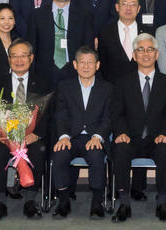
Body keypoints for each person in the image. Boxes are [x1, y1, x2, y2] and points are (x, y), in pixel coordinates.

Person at [109, 34, 166, 222]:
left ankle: (162, 202)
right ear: (134, 55)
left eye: (150, 49)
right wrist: (121, 133)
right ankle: (124, 203)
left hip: (157, 139)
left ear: (157, 54)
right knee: (120, 149)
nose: (145, 53)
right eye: (140, 49)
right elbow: (117, 113)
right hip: (130, 138)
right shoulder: (122, 82)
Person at [0, 39, 54, 221]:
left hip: (32, 136)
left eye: (23, 55)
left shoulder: (44, 82)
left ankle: (31, 201)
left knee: (38, 150)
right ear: (8, 59)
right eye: (14, 55)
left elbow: (50, 114)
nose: (19, 59)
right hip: (4, 138)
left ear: (31, 58)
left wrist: (37, 134)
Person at [49, 46, 112, 220]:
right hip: (70, 137)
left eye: (90, 62)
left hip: (93, 137)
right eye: (82, 62)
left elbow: (108, 118)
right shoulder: (64, 87)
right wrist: (63, 136)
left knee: (96, 156)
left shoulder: (106, 88)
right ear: (75, 65)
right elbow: (60, 114)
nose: (86, 66)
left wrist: (98, 136)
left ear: (97, 65)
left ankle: (97, 203)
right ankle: (63, 201)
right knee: (59, 155)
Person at [29, 0, 95, 83]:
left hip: (74, 72)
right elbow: (31, 47)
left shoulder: (84, 16)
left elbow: (88, 47)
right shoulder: (37, 15)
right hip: (44, 73)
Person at [97, 0, 147, 81]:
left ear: (138, 8)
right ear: (117, 7)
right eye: (124, 4)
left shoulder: (148, 33)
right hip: (113, 88)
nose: (128, 8)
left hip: (142, 87)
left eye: (133, 4)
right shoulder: (104, 33)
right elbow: (102, 65)